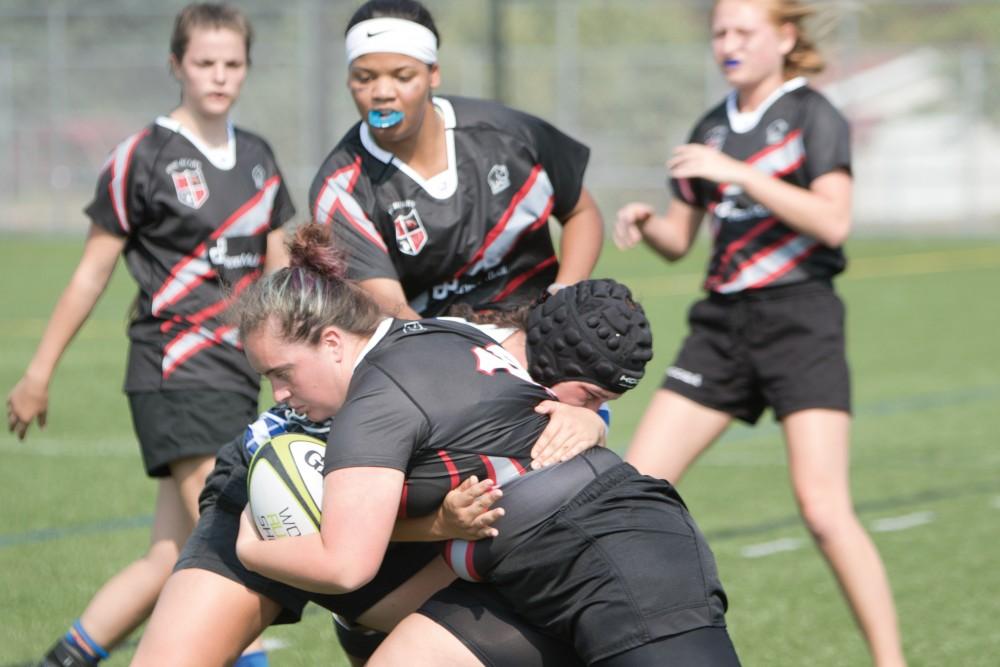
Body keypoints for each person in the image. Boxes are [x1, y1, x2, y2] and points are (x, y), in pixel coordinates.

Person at [232, 223, 740, 667]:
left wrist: (252, 549)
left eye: (282, 373)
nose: (279, 395)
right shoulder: (447, 333)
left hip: (618, 557)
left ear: (333, 342)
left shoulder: (376, 401)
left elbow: (344, 565)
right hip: (529, 578)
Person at [131, 230, 643, 667]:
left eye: (283, 374)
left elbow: (562, 402)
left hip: (389, 548)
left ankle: (363, 628)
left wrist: (590, 420)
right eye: (269, 378)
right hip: (263, 506)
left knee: (523, 633)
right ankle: (362, 626)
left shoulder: (488, 369)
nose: (278, 394)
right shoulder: (447, 354)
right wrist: (250, 547)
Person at [612, 1, 906, 665]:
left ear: (786, 37)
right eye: (720, 32)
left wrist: (742, 174)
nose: (728, 43)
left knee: (823, 507)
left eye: (745, 31)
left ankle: (892, 660)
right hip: (720, 325)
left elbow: (833, 222)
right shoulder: (709, 128)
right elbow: (678, 239)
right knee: (633, 486)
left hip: (800, 318)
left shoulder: (812, 115)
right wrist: (646, 221)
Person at [5, 4, 295, 666]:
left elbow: (278, 275)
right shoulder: (143, 156)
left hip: (233, 374)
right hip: (174, 371)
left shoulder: (258, 157)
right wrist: (39, 371)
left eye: (232, 63)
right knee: (232, 541)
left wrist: (289, 362)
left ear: (246, 68)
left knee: (169, 555)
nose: (219, 76)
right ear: (176, 66)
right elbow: (90, 274)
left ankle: (62, 659)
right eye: (204, 63)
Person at [310, 0, 604, 319]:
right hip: (431, 346)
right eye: (364, 77)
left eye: (402, 76)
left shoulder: (509, 136)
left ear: (433, 74)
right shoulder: (339, 188)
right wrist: (480, 355)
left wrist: (561, 299)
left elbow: (581, 212)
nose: (382, 92)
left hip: (535, 325)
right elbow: (394, 312)